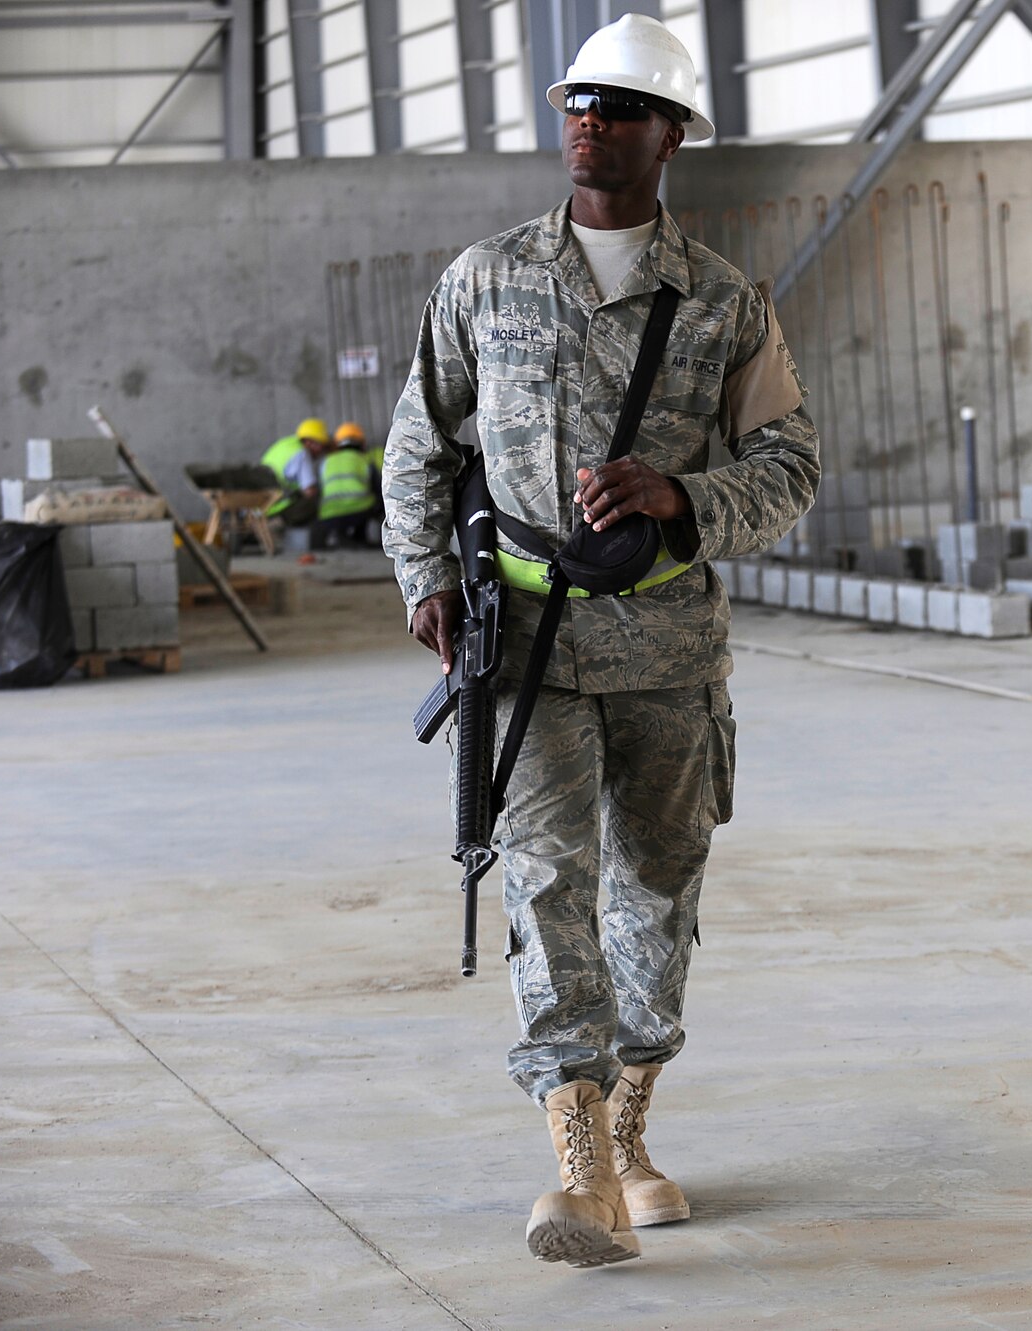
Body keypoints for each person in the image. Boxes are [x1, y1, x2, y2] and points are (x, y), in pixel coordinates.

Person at [383, 12, 818, 1269]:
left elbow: (789, 467)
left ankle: (633, 1124)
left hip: (671, 651)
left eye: (620, 107)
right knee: (544, 883)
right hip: (523, 648)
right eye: (577, 100)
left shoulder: (724, 301)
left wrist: (685, 497)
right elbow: (421, 441)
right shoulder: (488, 278)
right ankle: (572, 1151)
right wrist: (425, 577)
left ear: (671, 134)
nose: (590, 121)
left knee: (657, 894)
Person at [311, 421, 379, 548]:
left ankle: (343, 538)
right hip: (359, 512)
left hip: (329, 514)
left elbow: (319, 492)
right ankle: (361, 538)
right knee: (377, 502)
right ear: (362, 443)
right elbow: (378, 489)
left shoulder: (326, 462)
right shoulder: (365, 459)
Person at [262, 417, 327, 527]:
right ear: (310, 442)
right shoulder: (301, 454)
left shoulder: (285, 444)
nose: (321, 451)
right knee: (318, 498)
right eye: (320, 445)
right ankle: (276, 524)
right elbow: (309, 491)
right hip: (276, 508)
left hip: (261, 506)